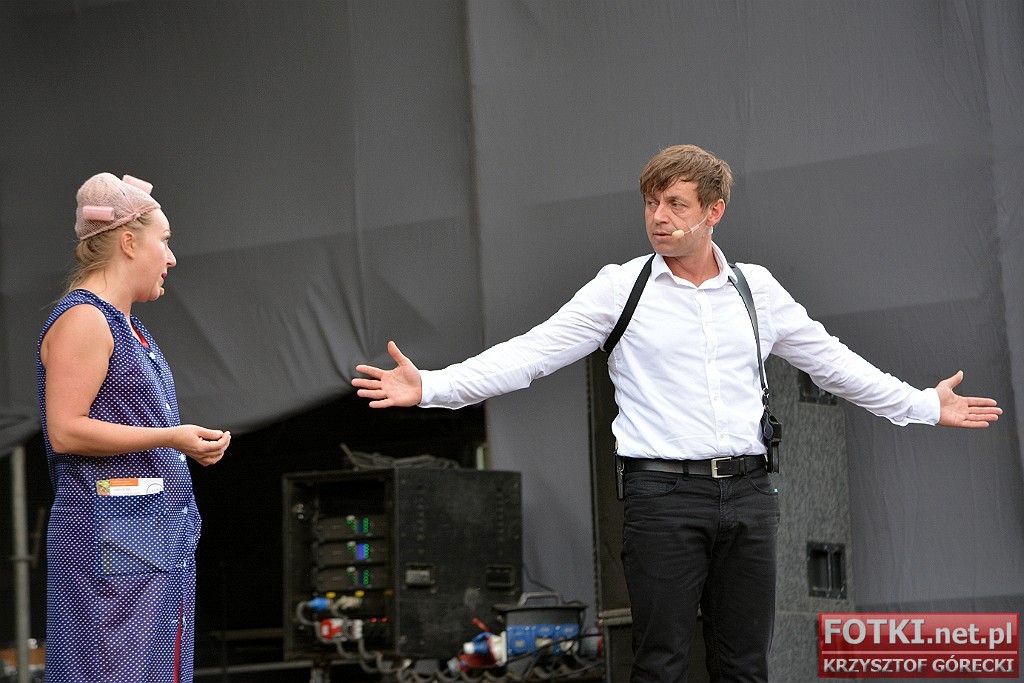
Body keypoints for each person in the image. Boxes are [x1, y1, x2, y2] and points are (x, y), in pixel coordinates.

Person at [351, 145, 1001, 683]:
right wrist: (431, 386)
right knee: (660, 662)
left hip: (749, 493)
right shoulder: (621, 288)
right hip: (661, 497)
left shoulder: (756, 291)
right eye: (650, 203)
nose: (658, 218)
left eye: (675, 204)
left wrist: (922, 405)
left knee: (745, 665)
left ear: (714, 211)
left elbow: (835, 365)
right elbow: (530, 356)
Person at [36, 173, 231, 683]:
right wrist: (170, 437)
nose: (171, 258)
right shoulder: (85, 319)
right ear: (128, 242)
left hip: (147, 547)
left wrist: (183, 445)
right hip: (111, 548)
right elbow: (66, 430)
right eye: (164, 241)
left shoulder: (129, 326)